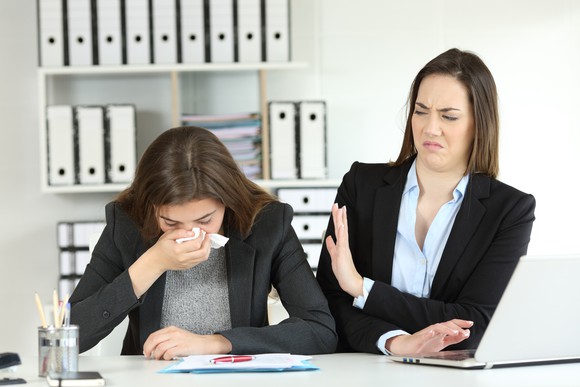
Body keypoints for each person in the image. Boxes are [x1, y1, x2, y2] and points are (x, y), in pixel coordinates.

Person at [316, 48, 536, 355]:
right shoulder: (360, 186)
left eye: (449, 116)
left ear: (479, 123)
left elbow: (477, 323)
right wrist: (396, 341)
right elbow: (328, 302)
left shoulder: (510, 211)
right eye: (421, 111)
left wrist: (362, 288)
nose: (430, 128)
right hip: (365, 369)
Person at [69, 126, 337, 359]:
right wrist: (153, 263)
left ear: (228, 201)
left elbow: (320, 330)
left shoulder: (266, 224)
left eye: (205, 220)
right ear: (151, 207)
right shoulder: (127, 223)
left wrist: (217, 343)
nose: (190, 234)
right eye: (171, 223)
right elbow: (71, 334)